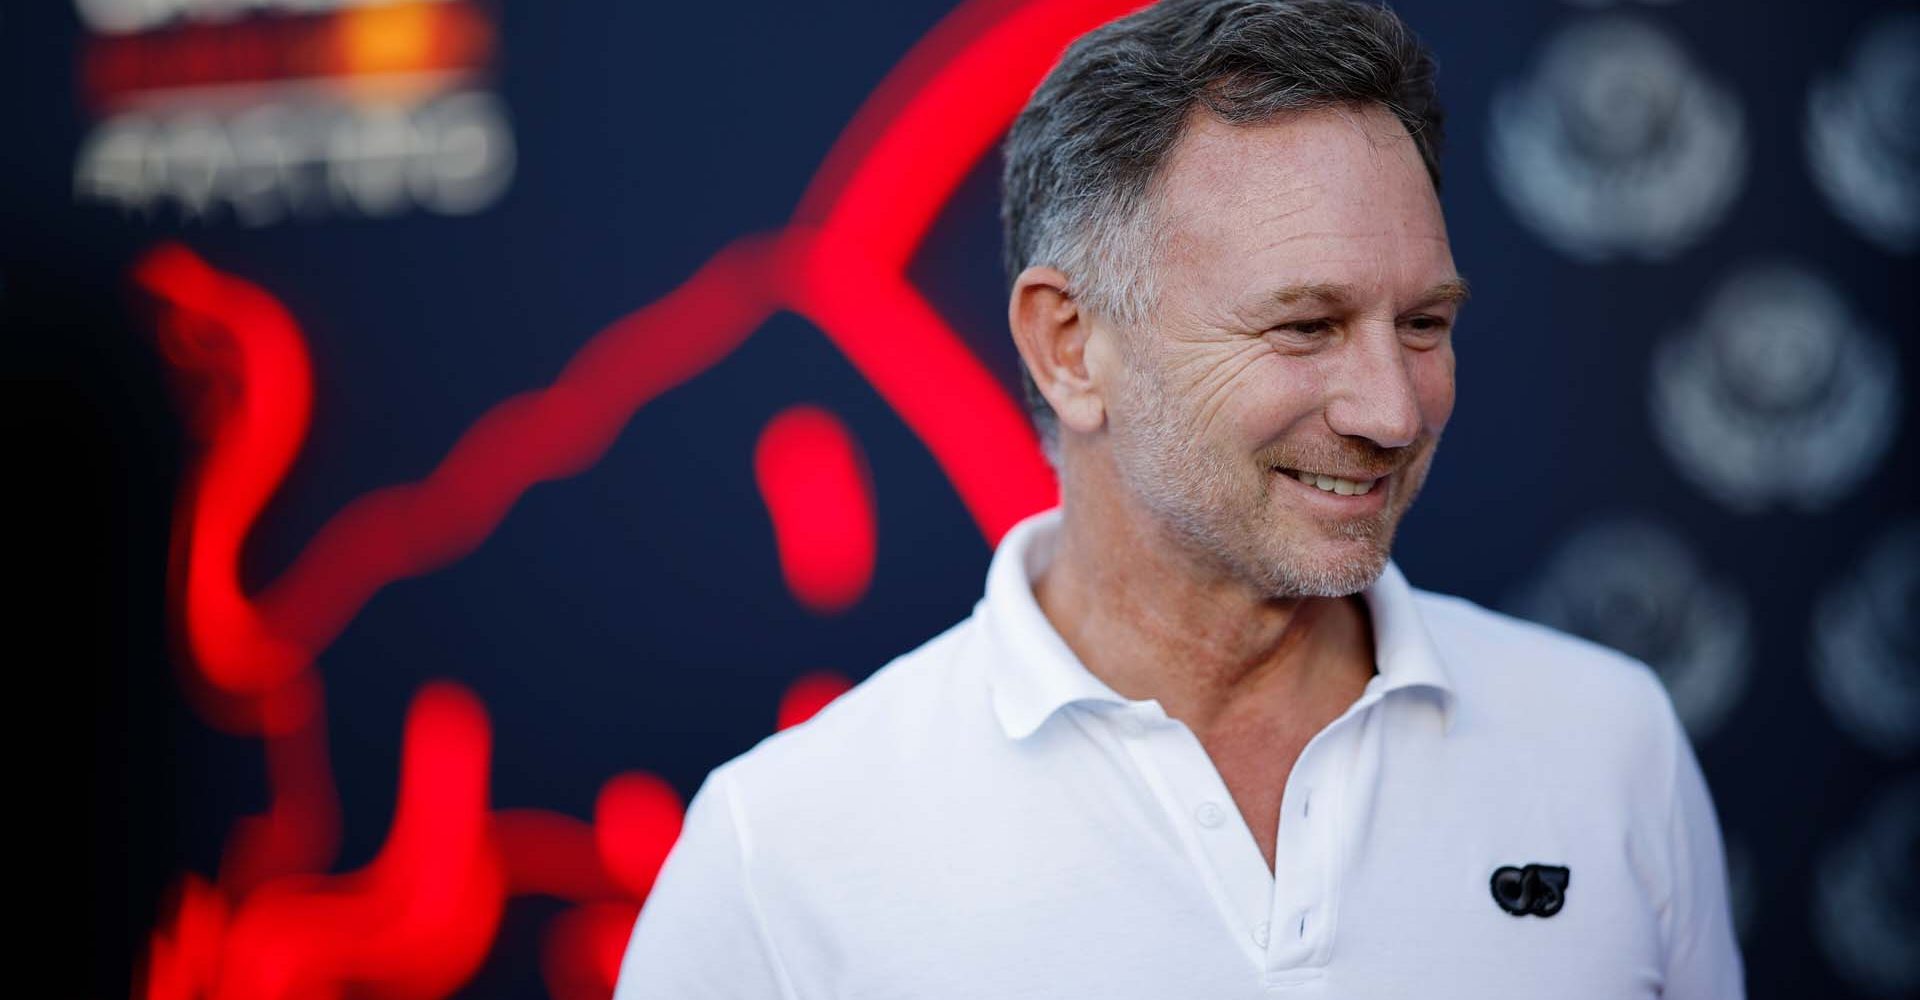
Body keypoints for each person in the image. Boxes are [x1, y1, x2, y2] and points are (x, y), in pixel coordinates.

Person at [614, 0, 1745, 996]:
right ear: (1069, 347)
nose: (1393, 412)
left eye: (1424, 325)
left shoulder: (1606, 743)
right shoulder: (784, 849)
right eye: (1306, 325)